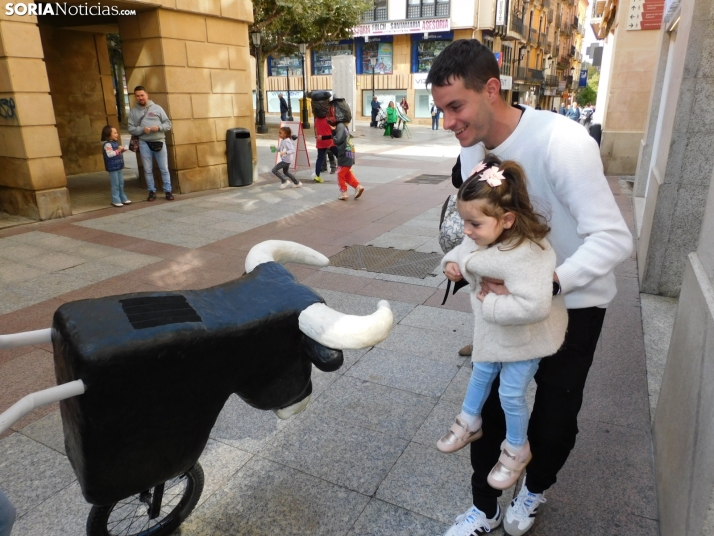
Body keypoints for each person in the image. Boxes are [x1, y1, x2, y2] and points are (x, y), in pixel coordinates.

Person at [428, 39, 632, 536]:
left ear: (491, 89)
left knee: (556, 415)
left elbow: (613, 237)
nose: (449, 122)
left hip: (574, 302)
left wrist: (548, 284)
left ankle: (535, 490)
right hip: (508, 304)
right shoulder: (475, 146)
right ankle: (485, 505)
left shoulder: (562, 142)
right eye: (441, 111)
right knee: (490, 407)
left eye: (456, 106)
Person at [438, 156, 568, 491]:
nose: (467, 230)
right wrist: (453, 263)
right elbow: (466, 249)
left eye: (474, 224)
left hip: (526, 338)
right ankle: (469, 420)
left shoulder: (531, 252)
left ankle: (515, 449)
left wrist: (492, 304)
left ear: (507, 219)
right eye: (463, 220)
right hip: (496, 333)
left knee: (511, 393)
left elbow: (535, 305)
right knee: (481, 368)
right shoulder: (487, 233)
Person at [128, 86, 174, 202]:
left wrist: (158, 127)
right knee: (148, 170)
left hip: (159, 142)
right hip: (144, 143)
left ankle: (168, 191)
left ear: (147, 95)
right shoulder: (133, 112)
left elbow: (168, 124)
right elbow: (130, 128)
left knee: (164, 168)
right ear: (135, 97)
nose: (140, 98)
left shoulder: (157, 108)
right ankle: (151, 192)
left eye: (142, 95)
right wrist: (142, 130)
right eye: (137, 96)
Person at [332, 118, 364, 201]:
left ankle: (344, 192)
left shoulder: (340, 126)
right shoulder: (344, 126)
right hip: (349, 152)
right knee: (346, 173)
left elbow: (337, 139)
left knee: (340, 173)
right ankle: (358, 186)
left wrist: (332, 133)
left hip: (345, 153)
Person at [101, 125, 131, 208]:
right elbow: (110, 154)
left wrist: (122, 150)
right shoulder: (107, 145)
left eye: (116, 133)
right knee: (115, 184)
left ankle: (123, 198)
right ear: (108, 134)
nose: (117, 134)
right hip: (112, 167)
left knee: (121, 183)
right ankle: (116, 199)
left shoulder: (115, 143)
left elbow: (117, 153)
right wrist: (118, 150)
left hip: (118, 166)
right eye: (115, 133)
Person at [314, 114, 337, 183]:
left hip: (320, 141)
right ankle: (348, 170)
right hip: (330, 141)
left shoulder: (316, 119)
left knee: (320, 159)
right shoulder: (329, 118)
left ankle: (317, 176)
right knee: (339, 155)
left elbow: (315, 130)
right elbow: (334, 129)